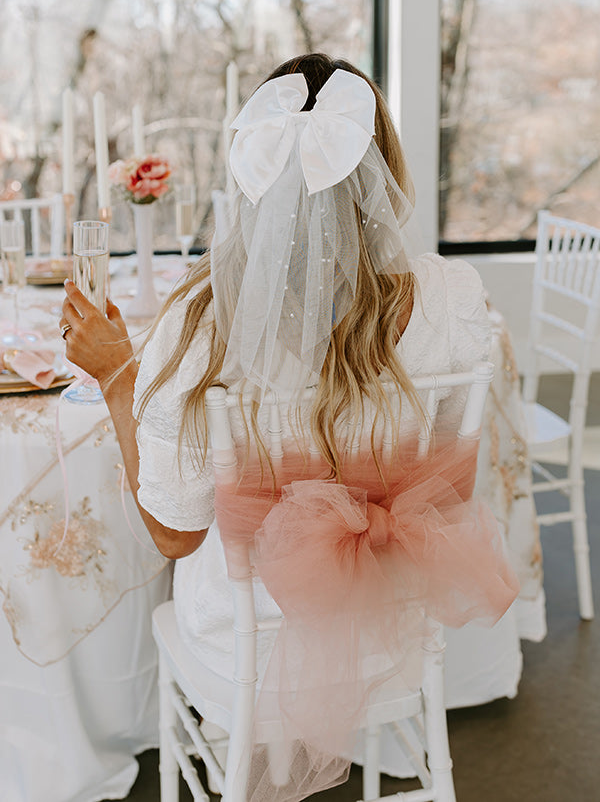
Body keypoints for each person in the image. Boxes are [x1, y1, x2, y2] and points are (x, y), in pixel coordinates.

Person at [61, 52, 518, 800]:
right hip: (390, 622)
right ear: (379, 169)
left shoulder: (202, 322)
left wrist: (118, 377)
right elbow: (448, 488)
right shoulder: (451, 296)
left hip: (248, 645)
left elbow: (174, 537)